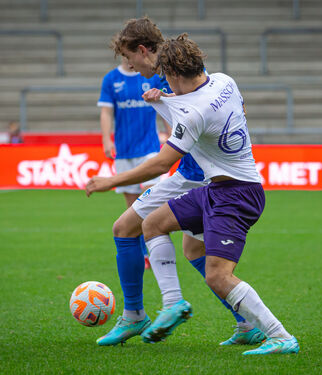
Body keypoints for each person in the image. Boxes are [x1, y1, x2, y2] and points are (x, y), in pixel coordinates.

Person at [86, 33, 299, 355]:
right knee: (153, 225)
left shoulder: (194, 113)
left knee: (217, 275)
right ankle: (178, 304)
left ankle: (280, 336)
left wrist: (109, 181)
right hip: (219, 188)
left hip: (236, 195)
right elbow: (216, 108)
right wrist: (167, 101)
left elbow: (161, 164)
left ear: (171, 73)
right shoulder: (225, 81)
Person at [98, 56, 171, 269]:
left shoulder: (149, 75)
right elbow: (106, 111)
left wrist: (170, 132)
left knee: (153, 202)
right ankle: (142, 254)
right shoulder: (111, 79)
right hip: (124, 151)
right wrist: (106, 140)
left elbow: (164, 104)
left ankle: (158, 250)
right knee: (132, 209)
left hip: (149, 149)